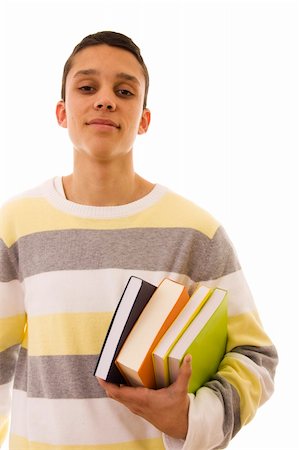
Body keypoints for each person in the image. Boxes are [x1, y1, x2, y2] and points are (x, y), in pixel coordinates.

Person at [0, 31, 278, 450]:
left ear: (144, 119)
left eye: (125, 91)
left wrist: (191, 420)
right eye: (88, 87)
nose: (105, 99)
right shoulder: (16, 223)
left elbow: (256, 357)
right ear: (62, 112)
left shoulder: (195, 233)